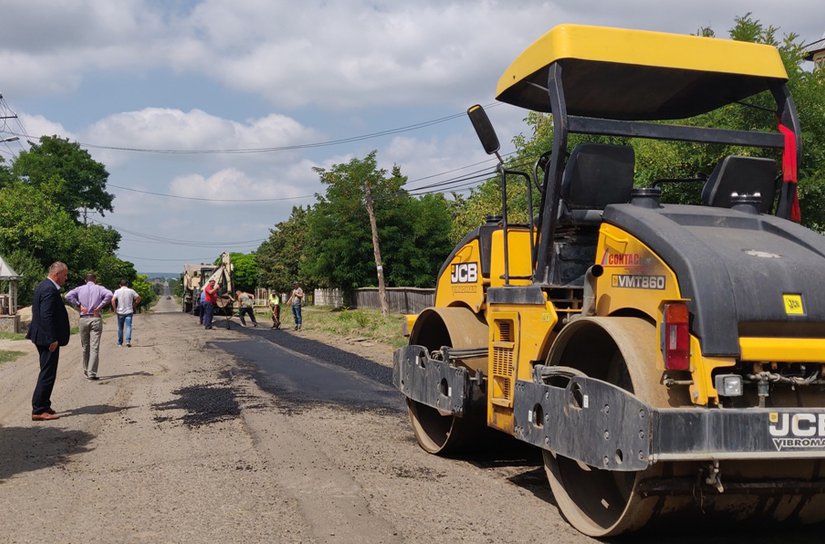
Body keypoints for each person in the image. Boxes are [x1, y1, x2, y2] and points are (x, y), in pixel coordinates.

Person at [26, 262, 71, 421]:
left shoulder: (44, 286)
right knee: (47, 373)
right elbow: (46, 315)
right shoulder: (49, 289)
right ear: (57, 274)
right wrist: (52, 338)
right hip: (47, 338)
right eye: (65, 275)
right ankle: (38, 409)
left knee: (47, 371)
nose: (66, 278)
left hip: (42, 336)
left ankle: (44, 403)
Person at [65, 273, 113, 380]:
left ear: (85, 280)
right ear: (95, 280)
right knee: (94, 347)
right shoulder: (100, 288)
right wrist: (100, 306)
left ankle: (86, 369)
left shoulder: (79, 289)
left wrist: (78, 305)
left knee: (85, 346)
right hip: (95, 318)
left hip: (83, 318)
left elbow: (67, 295)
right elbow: (109, 295)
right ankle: (92, 373)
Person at [112, 279, 141, 347]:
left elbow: (113, 300)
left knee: (120, 328)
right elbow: (139, 298)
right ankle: (128, 341)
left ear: (120, 285)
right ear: (127, 284)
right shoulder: (131, 291)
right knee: (128, 326)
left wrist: (115, 309)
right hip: (129, 311)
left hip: (120, 312)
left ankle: (120, 343)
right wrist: (134, 304)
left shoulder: (117, 291)